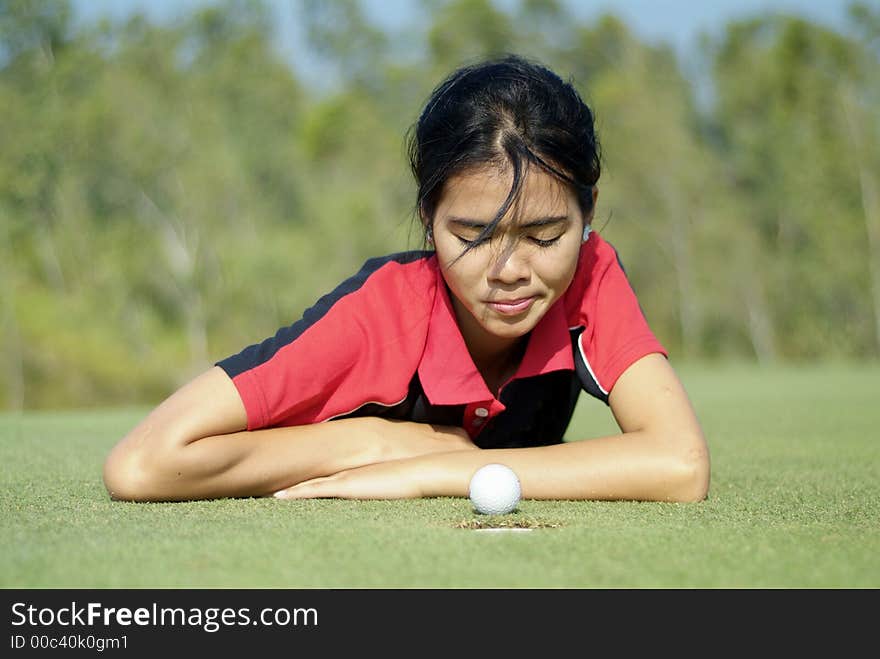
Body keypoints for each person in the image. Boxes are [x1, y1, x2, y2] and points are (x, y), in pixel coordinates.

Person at [103, 54, 710, 504]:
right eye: (472, 236)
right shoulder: (382, 315)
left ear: (587, 212)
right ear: (428, 218)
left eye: (544, 236)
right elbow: (141, 465)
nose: (509, 273)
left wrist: (442, 472)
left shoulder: (591, 273)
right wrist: (372, 443)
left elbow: (679, 463)